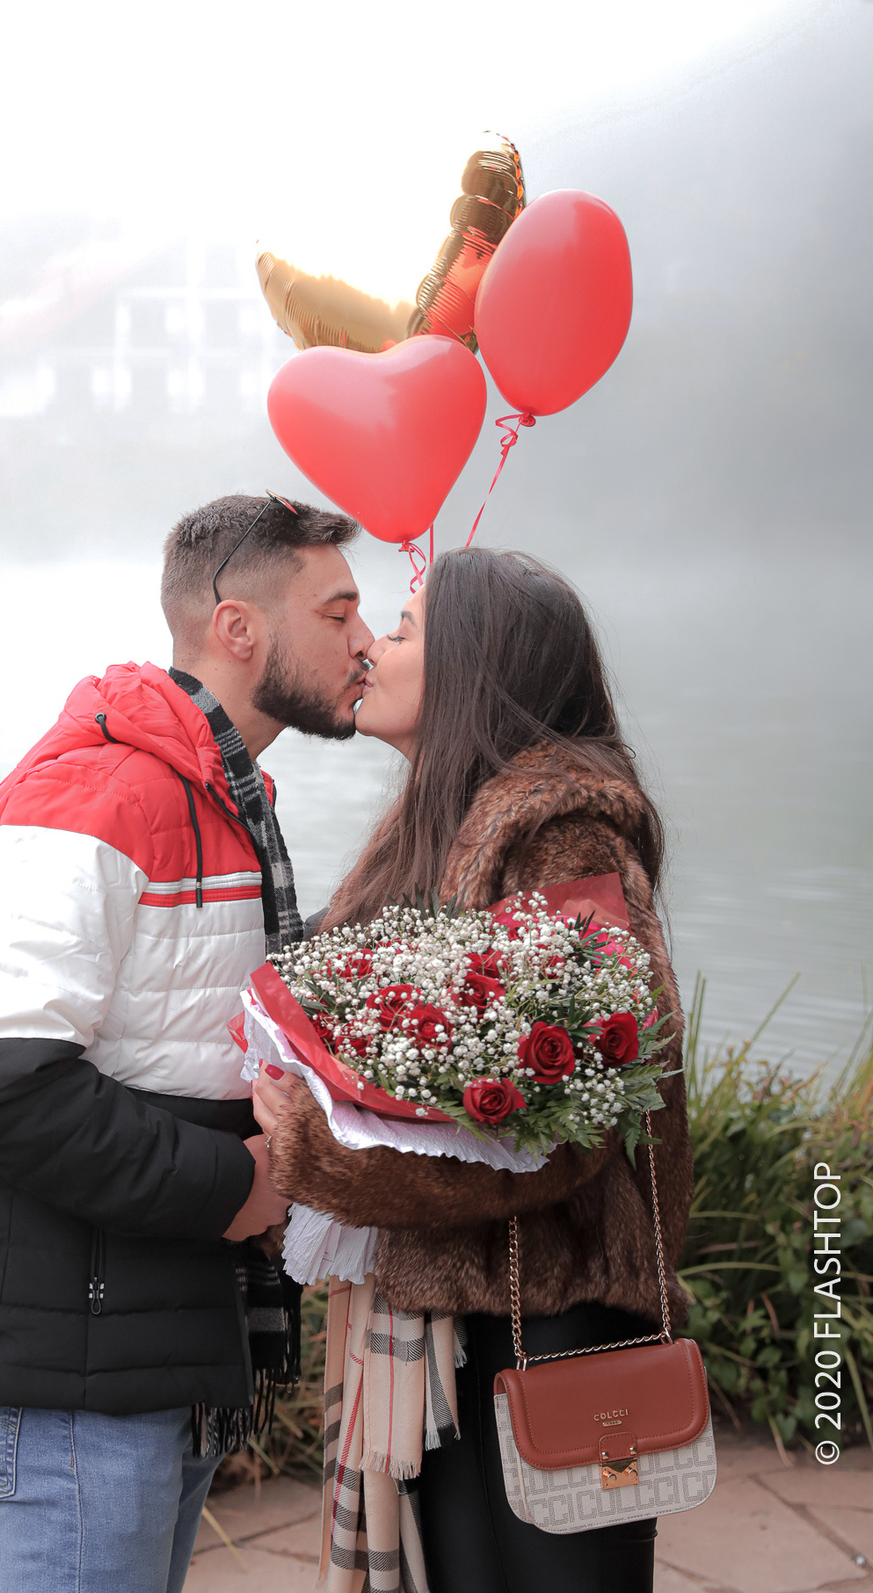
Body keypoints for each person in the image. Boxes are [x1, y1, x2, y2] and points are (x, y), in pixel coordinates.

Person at [0, 493, 373, 1593]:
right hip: (73, 1370)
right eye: (337, 611)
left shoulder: (223, 795)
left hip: (153, 1336)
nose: (364, 640)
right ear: (239, 629)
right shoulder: (103, 788)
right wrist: (235, 1189)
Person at [254, 547, 692, 1593]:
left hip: (553, 1318)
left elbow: (568, 1118)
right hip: (460, 1315)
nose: (371, 646)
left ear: (472, 666)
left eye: (402, 630)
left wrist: (319, 1153)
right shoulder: (434, 824)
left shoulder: (561, 836)